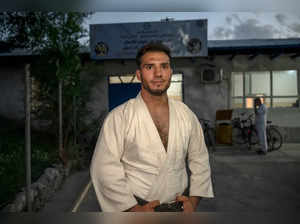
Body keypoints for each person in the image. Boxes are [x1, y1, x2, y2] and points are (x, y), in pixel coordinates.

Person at [90, 42, 214, 212]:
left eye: (164, 66)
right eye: (150, 67)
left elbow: (200, 159)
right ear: (139, 75)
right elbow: (104, 168)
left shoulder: (186, 114)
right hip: (139, 208)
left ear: (170, 72)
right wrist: (134, 210)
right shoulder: (120, 117)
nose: (158, 73)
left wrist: (193, 201)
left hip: (180, 207)